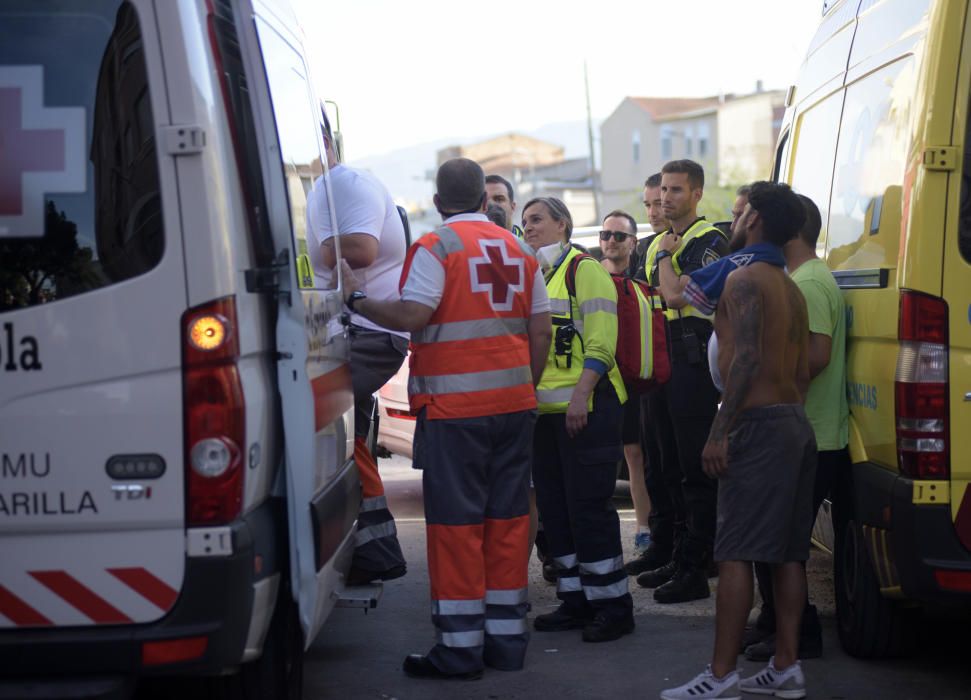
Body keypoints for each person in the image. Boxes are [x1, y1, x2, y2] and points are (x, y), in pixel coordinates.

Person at [341, 158, 552, 680]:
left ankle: (458, 650)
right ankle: (505, 643)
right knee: (506, 523)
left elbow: (413, 316)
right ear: (486, 200)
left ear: (438, 203)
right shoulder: (522, 250)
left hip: (455, 413)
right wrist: (524, 384)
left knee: (457, 529)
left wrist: (356, 297)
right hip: (514, 408)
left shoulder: (436, 247)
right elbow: (541, 329)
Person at [661, 181, 814, 700]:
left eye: (740, 211)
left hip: (758, 426)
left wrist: (721, 427)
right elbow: (804, 365)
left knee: (735, 554)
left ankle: (721, 675)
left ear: (753, 221)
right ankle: (786, 665)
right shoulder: (789, 284)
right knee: (786, 554)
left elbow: (746, 357)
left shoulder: (746, 278)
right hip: (792, 422)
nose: (735, 219)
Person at [524, 196, 635, 643]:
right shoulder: (536, 273)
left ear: (563, 225)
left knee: (589, 510)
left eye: (537, 220)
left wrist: (580, 397)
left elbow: (602, 343)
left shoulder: (582, 269)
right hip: (547, 417)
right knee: (557, 512)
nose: (528, 227)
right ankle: (575, 601)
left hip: (586, 409)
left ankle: (612, 607)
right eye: (524, 221)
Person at [743, 194, 848, 662]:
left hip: (812, 433)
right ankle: (773, 624)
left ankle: (800, 636)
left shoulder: (808, 282)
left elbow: (818, 355)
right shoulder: (799, 278)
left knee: (784, 546)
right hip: (804, 429)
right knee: (773, 542)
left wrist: (765, 374)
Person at [305, 110, 407, 586]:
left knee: (311, 418)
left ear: (328, 139)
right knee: (352, 440)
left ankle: (370, 549)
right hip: (352, 329)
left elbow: (359, 252)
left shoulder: (342, 183)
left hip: (368, 330)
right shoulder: (324, 188)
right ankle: (375, 550)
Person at [636, 160, 731, 603]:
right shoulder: (658, 241)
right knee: (664, 461)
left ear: (697, 194)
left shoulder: (709, 240)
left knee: (694, 467)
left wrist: (665, 259)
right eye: (664, 191)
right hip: (661, 352)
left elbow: (678, 294)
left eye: (676, 190)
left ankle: (697, 564)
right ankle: (675, 551)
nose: (667, 198)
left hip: (691, 353)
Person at [626, 171, 679, 578]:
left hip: (683, 368)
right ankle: (661, 545)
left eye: (658, 201)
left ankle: (687, 554)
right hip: (649, 371)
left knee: (681, 465)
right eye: (646, 203)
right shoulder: (643, 248)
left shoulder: (694, 242)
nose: (653, 210)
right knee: (654, 465)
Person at [598, 209, 653, 560]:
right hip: (598, 378)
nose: (612, 242)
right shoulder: (590, 276)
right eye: (606, 235)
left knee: (635, 455)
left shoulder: (643, 279)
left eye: (619, 236)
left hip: (633, 379)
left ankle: (644, 529)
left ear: (633, 242)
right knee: (601, 458)